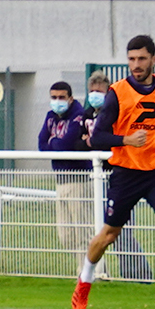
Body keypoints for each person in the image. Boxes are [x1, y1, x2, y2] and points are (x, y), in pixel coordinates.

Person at [72, 34, 155, 309]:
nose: (136, 65)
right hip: (126, 173)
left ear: (153, 60)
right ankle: (85, 279)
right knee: (109, 234)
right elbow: (97, 138)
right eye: (131, 59)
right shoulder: (117, 92)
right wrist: (126, 140)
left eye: (141, 59)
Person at [80, 72, 151, 283]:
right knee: (101, 232)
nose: (95, 95)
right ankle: (93, 274)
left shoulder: (118, 112)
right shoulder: (86, 115)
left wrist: (95, 141)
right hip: (94, 177)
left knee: (121, 233)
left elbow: (104, 140)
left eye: (99, 91)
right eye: (92, 91)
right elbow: (77, 142)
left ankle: (140, 277)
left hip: (119, 176)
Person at [39, 81, 91, 264]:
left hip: (79, 179)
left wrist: (53, 141)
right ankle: (88, 271)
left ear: (70, 98)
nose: (57, 101)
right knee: (66, 235)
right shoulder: (50, 116)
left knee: (83, 233)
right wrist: (55, 143)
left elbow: (66, 144)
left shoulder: (78, 114)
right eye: (54, 97)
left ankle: (89, 274)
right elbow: (41, 144)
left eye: (61, 97)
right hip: (60, 180)